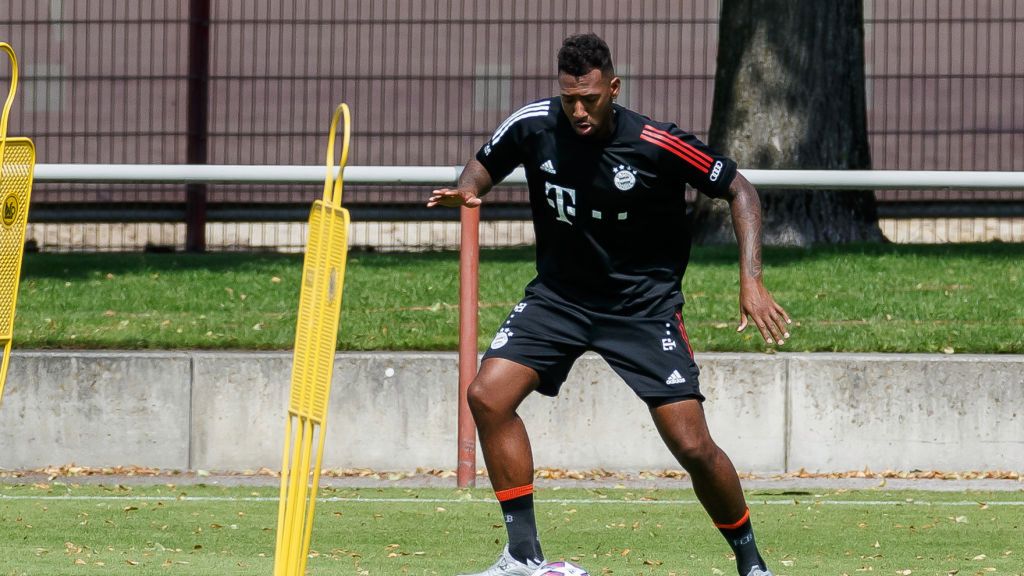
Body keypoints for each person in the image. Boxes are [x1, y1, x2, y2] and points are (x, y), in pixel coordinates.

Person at [427, 33, 790, 576]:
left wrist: (751, 280)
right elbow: (482, 165)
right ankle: (523, 558)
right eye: (569, 98)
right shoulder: (533, 123)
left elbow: (740, 189)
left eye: (590, 99)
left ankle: (752, 563)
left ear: (613, 89)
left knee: (692, 446)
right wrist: (467, 189)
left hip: (641, 307)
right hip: (559, 300)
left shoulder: (656, 143)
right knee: (487, 396)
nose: (578, 110)